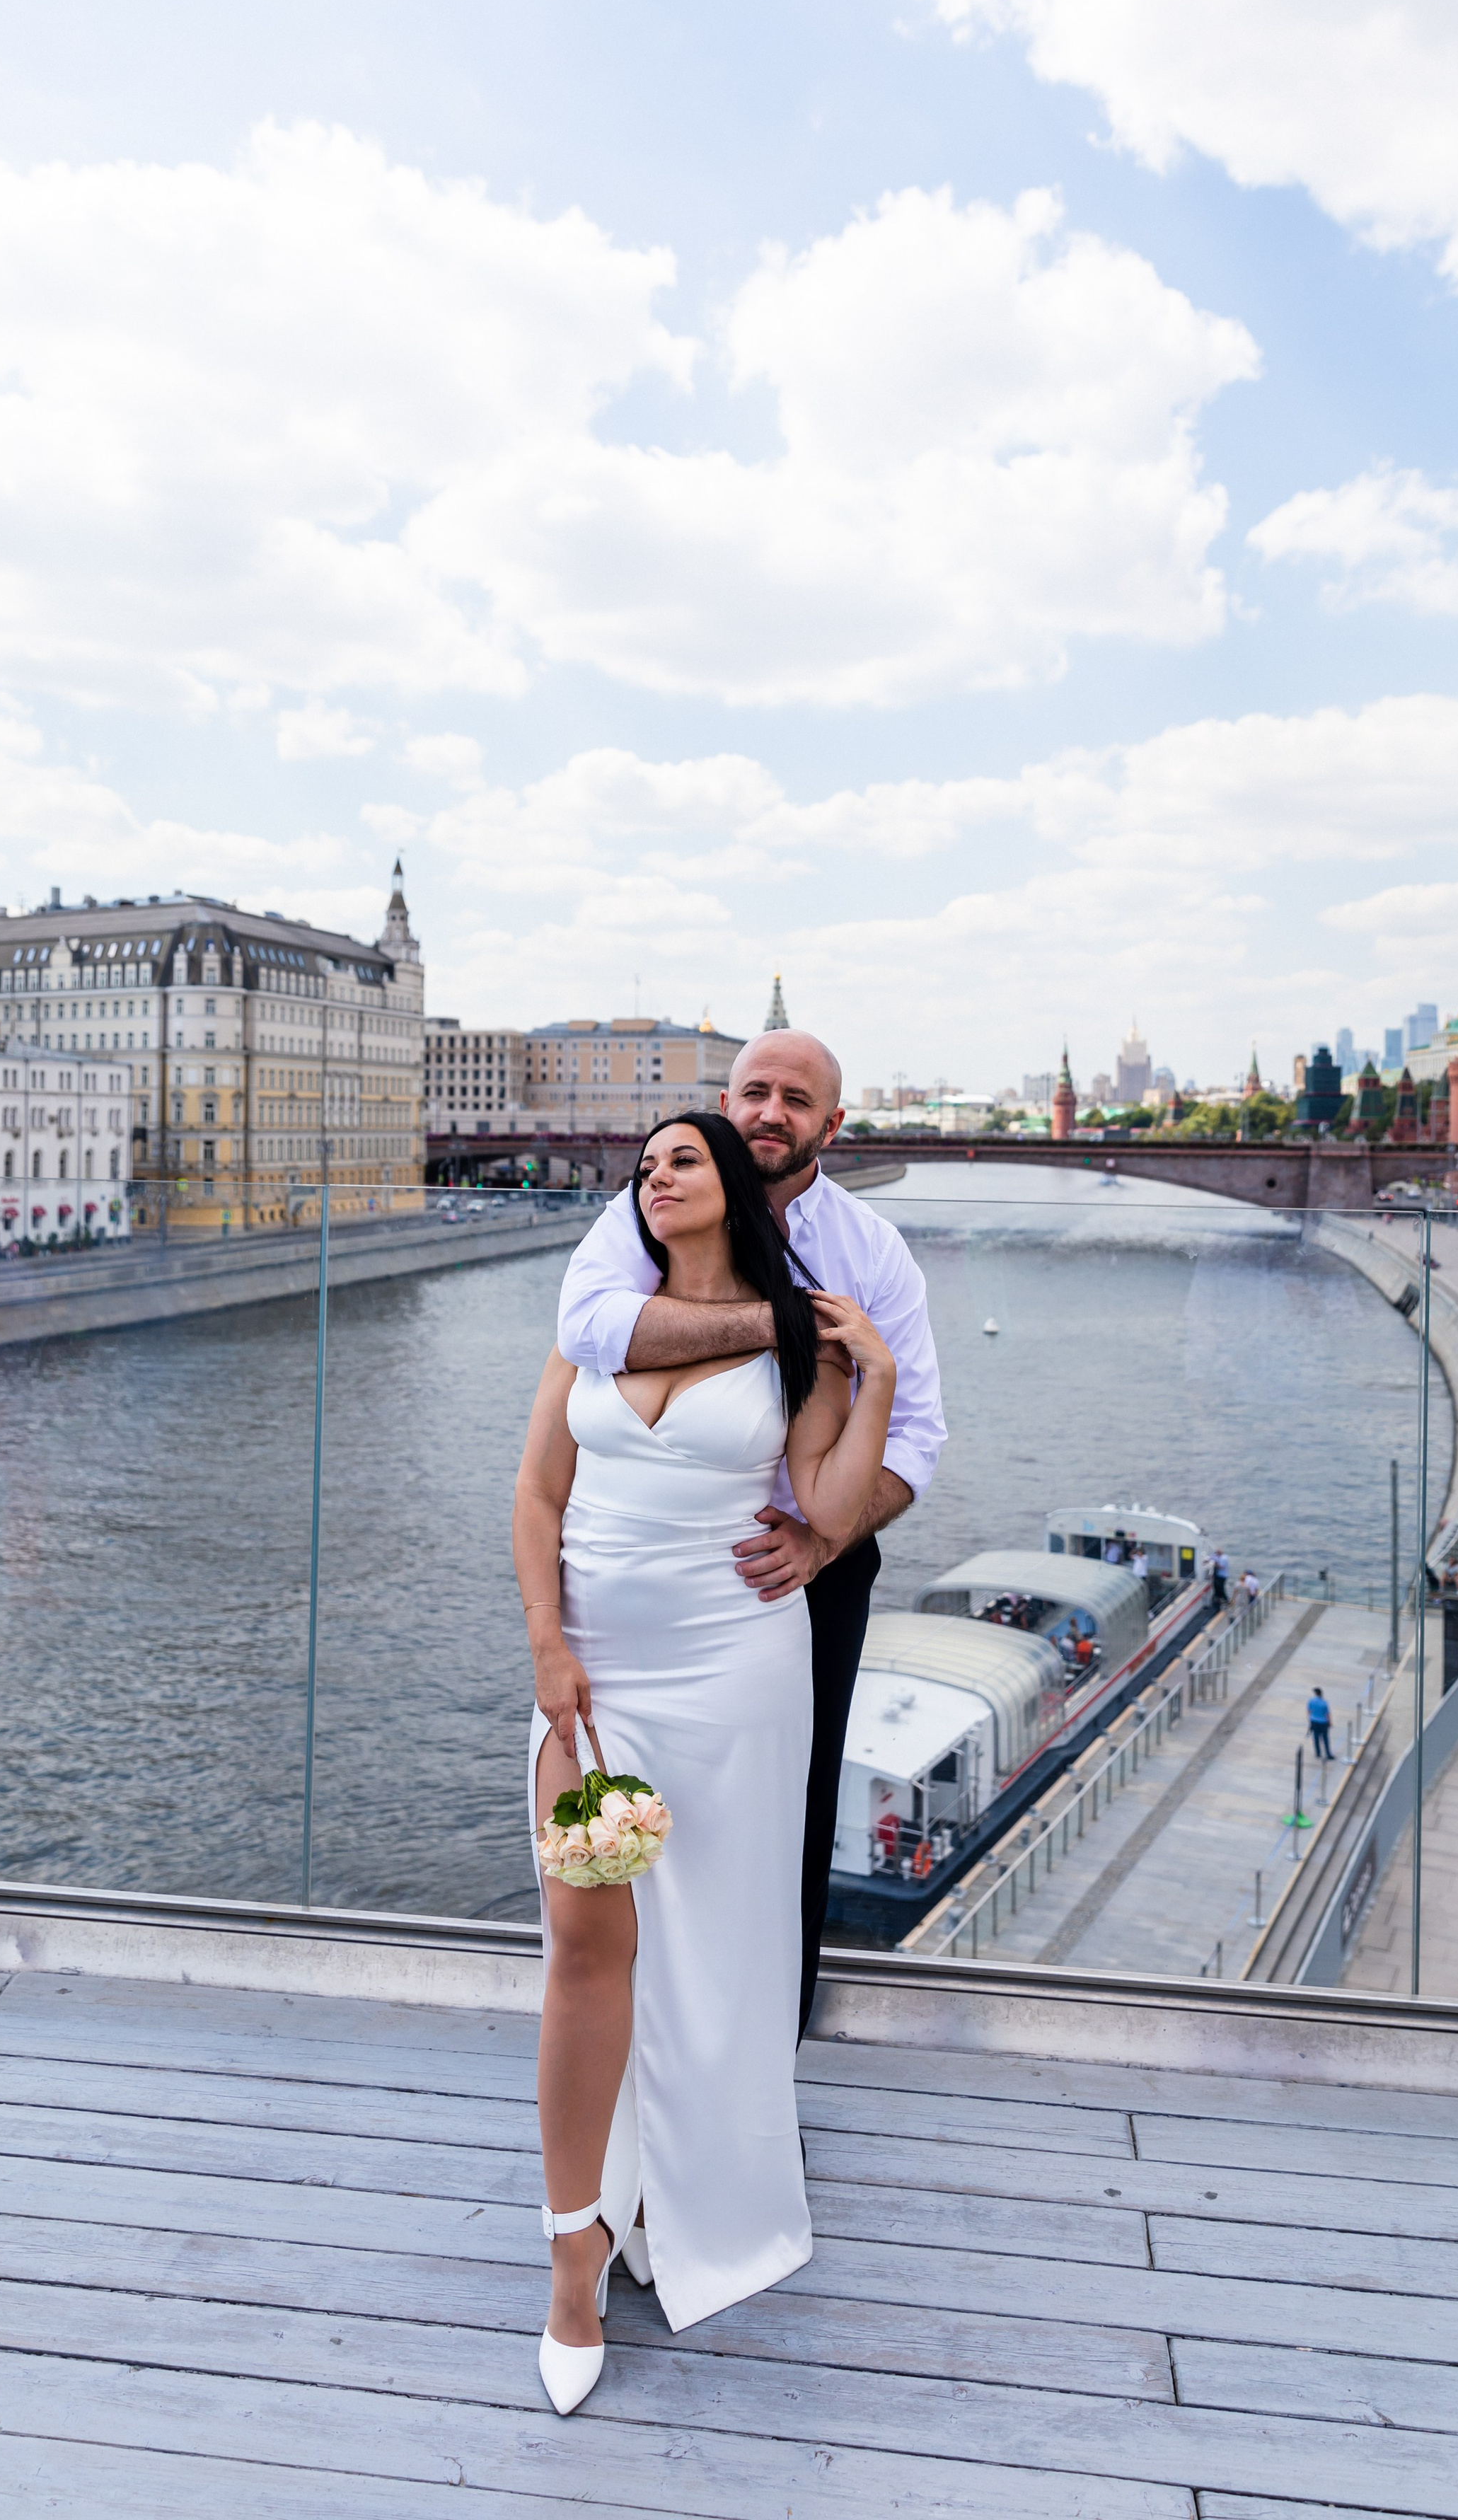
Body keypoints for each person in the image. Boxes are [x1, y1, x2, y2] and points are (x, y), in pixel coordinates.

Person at [516, 1109, 897, 2412]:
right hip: (595, 1682)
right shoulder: (595, 1318)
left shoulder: (806, 1342)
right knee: (584, 1939)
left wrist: (878, 1383)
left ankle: (691, 2194)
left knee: (721, 1943)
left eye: (682, 1159)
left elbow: (832, 1511)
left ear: (731, 1187)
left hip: (734, 1675)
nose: (654, 1177)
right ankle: (576, 2250)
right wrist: (546, 1650)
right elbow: (536, 1497)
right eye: (645, 1166)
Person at [556, 1028, 945, 2040]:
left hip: (804, 1568)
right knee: (623, 1810)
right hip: (654, 1567)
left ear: (833, 1125)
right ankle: (631, 2038)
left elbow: (918, 1435)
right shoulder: (645, 1211)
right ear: (726, 1103)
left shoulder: (873, 1251)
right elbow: (588, 1331)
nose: (771, 1113)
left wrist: (825, 1540)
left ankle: (766, 2048)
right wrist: (779, 1323)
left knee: (788, 1819)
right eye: (754, 1092)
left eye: (797, 1099)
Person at [1307, 1686, 1333, 1761]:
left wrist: (1311, 1719)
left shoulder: (1311, 1701)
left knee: (1316, 1737)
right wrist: (1330, 1723)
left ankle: (1318, 1753)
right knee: (1325, 1738)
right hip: (1323, 1722)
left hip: (1314, 1721)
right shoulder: (1324, 1703)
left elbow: (1309, 1712)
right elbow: (1327, 1714)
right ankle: (1328, 1754)